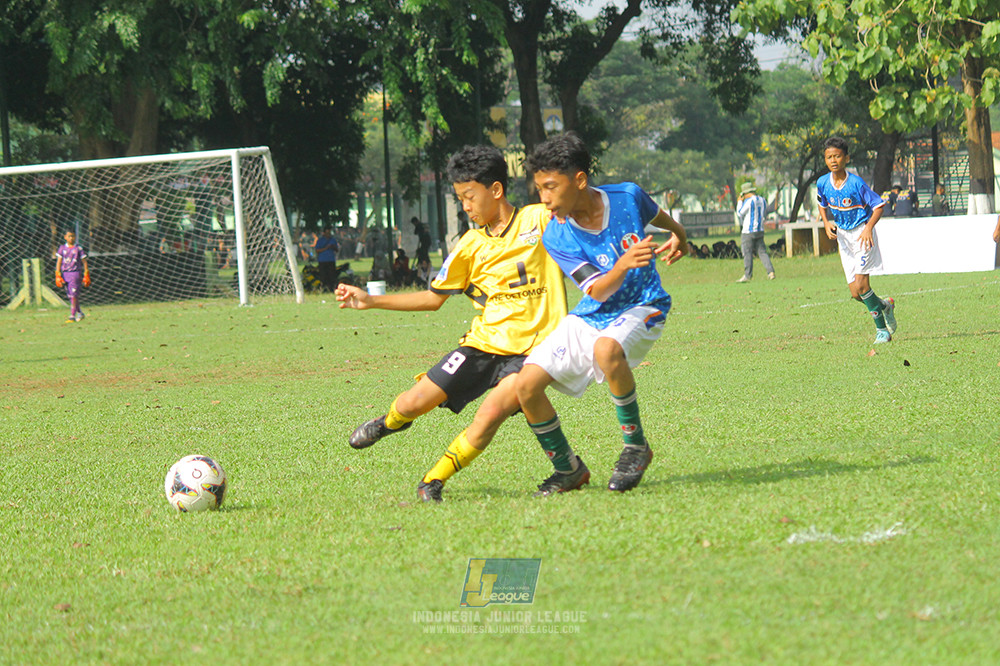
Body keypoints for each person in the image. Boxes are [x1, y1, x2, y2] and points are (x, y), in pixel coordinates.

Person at [335, 144, 567, 503]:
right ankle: (389, 423)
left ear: (496, 190)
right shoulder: (469, 244)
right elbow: (433, 299)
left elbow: (581, 211)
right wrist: (370, 300)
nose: (465, 207)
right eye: (460, 199)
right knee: (413, 402)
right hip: (482, 344)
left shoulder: (539, 219)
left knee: (492, 411)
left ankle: (433, 479)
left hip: (533, 352)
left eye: (469, 197)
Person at [515, 132, 687, 496]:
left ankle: (635, 446)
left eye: (550, 187)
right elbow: (596, 289)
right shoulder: (557, 236)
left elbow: (659, 216)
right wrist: (623, 264)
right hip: (594, 309)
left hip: (643, 303)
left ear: (579, 180)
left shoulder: (627, 196)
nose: (544, 199)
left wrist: (680, 235)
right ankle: (568, 469)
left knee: (606, 350)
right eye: (538, 189)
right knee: (525, 386)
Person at [817, 136, 897, 344]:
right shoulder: (823, 182)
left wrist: (869, 227)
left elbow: (879, 205)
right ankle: (885, 306)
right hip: (843, 238)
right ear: (825, 160)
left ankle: (882, 332)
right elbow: (821, 202)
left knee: (862, 286)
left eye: (837, 156)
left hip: (862, 235)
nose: (833, 160)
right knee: (855, 293)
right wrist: (826, 222)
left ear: (846, 158)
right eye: (829, 157)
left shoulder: (855, 183)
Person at [735, 181, 775, 282]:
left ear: (746, 193)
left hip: (748, 231)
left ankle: (747, 275)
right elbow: (765, 213)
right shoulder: (762, 200)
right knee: (762, 252)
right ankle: (770, 272)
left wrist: (739, 201)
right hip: (759, 229)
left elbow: (739, 213)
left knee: (747, 252)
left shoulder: (749, 201)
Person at [54, 230, 90, 323]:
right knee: (70, 296)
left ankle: (72, 316)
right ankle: (80, 313)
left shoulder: (78, 248)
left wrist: (86, 273)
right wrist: (57, 274)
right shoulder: (62, 248)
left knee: (74, 295)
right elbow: (59, 261)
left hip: (75, 273)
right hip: (65, 274)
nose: (71, 238)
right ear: (65, 237)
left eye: (73, 236)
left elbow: (84, 261)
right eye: (69, 236)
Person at [313, 227, 339, 291]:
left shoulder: (333, 240)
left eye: (329, 233)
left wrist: (333, 247)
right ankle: (324, 288)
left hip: (331, 260)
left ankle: (332, 288)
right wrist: (326, 248)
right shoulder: (320, 240)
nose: (328, 234)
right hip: (322, 260)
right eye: (327, 233)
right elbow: (317, 250)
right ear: (324, 233)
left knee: (332, 275)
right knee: (323, 275)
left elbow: (337, 250)